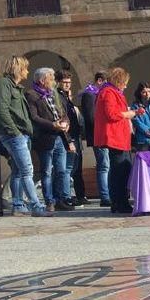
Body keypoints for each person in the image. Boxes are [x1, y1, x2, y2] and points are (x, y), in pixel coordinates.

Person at [0, 55, 50, 217]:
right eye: (25, 68)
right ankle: (36, 206)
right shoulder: (4, 85)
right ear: (18, 69)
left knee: (18, 171)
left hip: (22, 134)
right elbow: (2, 110)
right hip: (14, 135)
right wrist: (15, 131)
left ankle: (17, 203)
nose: (27, 71)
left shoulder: (16, 87)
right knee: (27, 171)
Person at [26, 68, 75, 212]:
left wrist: (66, 123)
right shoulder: (32, 95)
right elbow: (34, 117)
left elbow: (62, 112)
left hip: (60, 137)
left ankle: (60, 199)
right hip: (45, 138)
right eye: (51, 78)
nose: (54, 81)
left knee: (61, 170)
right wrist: (52, 124)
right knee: (46, 171)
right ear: (42, 80)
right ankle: (49, 201)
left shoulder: (53, 94)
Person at [94, 67, 137, 214]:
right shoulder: (108, 92)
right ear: (118, 81)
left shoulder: (113, 92)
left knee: (123, 170)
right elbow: (111, 114)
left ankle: (121, 202)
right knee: (119, 171)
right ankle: (119, 203)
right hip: (114, 137)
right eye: (124, 82)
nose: (125, 85)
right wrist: (128, 114)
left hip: (120, 137)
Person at [57, 70, 88, 205]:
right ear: (58, 82)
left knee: (74, 168)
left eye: (69, 83)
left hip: (75, 136)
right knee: (68, 168)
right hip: (68, 137)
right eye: (64, 82)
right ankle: (66, 196)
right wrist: (68, 139)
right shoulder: (59, 97)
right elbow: (63, 118)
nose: (67, 85)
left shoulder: (66, 97)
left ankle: (72, 195)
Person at [81, 71, 111, 207]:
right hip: (97, 135)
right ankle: (105, 196)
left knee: (107, 165)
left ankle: (109, 194)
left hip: (106, 135)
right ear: (100, 81)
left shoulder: (100, 94)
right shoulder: (89, 95)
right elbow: (91, 117)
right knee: (103, 165)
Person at [130, 82, 150, 151]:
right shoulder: (135, 106)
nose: (147, 94)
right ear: (139, 93)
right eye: (144, 92)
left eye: (149, 91)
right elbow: (136, 122)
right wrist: (148, 132)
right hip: (143, 140)